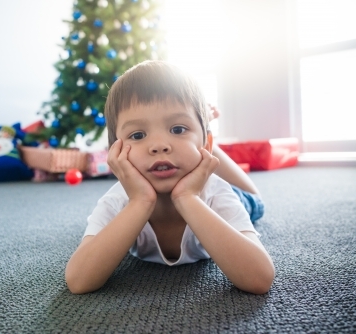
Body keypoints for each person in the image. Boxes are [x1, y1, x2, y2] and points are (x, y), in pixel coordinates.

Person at [65, 60, 275, 295]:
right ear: (116, 152)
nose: (159, 145)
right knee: (190, 150)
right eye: (137, 134)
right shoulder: (116, 202)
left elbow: (260, 279)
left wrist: (187, 197)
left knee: (255, 201)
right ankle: (197, 133)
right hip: (189, 158)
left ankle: (208, 145)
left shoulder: (217, 193)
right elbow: (78, 281)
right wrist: (140, 202)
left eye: (177, 129)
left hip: (216, 190)